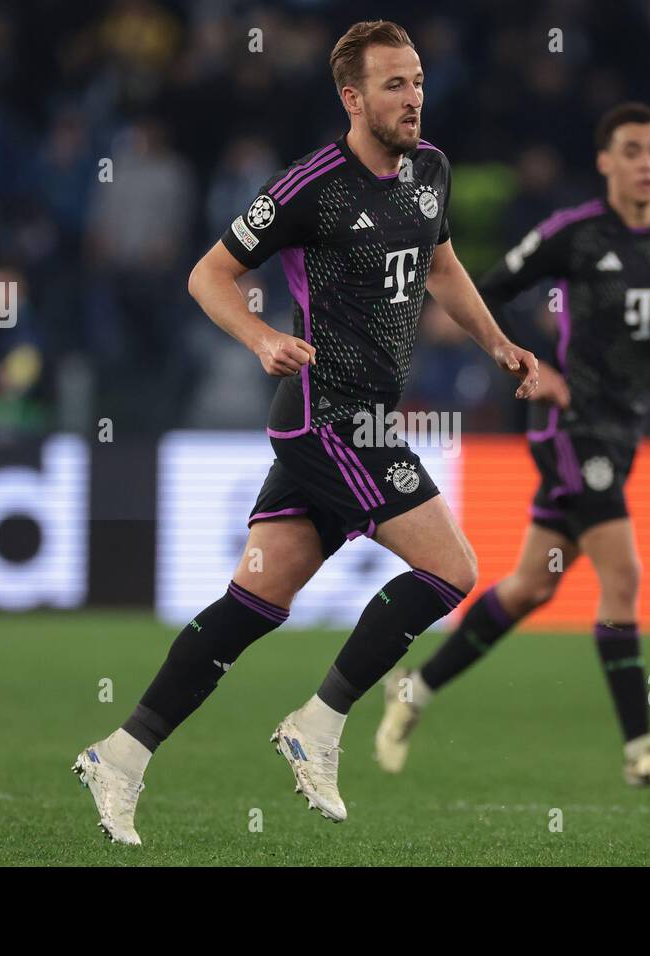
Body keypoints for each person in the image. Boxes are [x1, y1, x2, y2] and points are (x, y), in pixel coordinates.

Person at [72, 19, 539, 844]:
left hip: (363, 422)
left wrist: (496, 340)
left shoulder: (429, 173)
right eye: (394, 84)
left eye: (418, 80)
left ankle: (121, 754)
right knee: (451, 567)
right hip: (328, 422)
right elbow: (208, 273)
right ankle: (319, 724)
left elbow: (440, 265)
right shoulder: (309, 187)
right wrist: (260, 339)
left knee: (253, 604)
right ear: (351, 98)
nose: (414, 97)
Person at [376, 103, 650, 787]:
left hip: (622, 431)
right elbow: (489, 289)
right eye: (632, 150)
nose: (647, 163)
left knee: (534, 585)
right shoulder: (574, 234)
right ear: (606, 162)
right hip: (567, 426)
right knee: (623, 575)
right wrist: (534, 361)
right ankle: (641, 750)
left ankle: (414, 689)